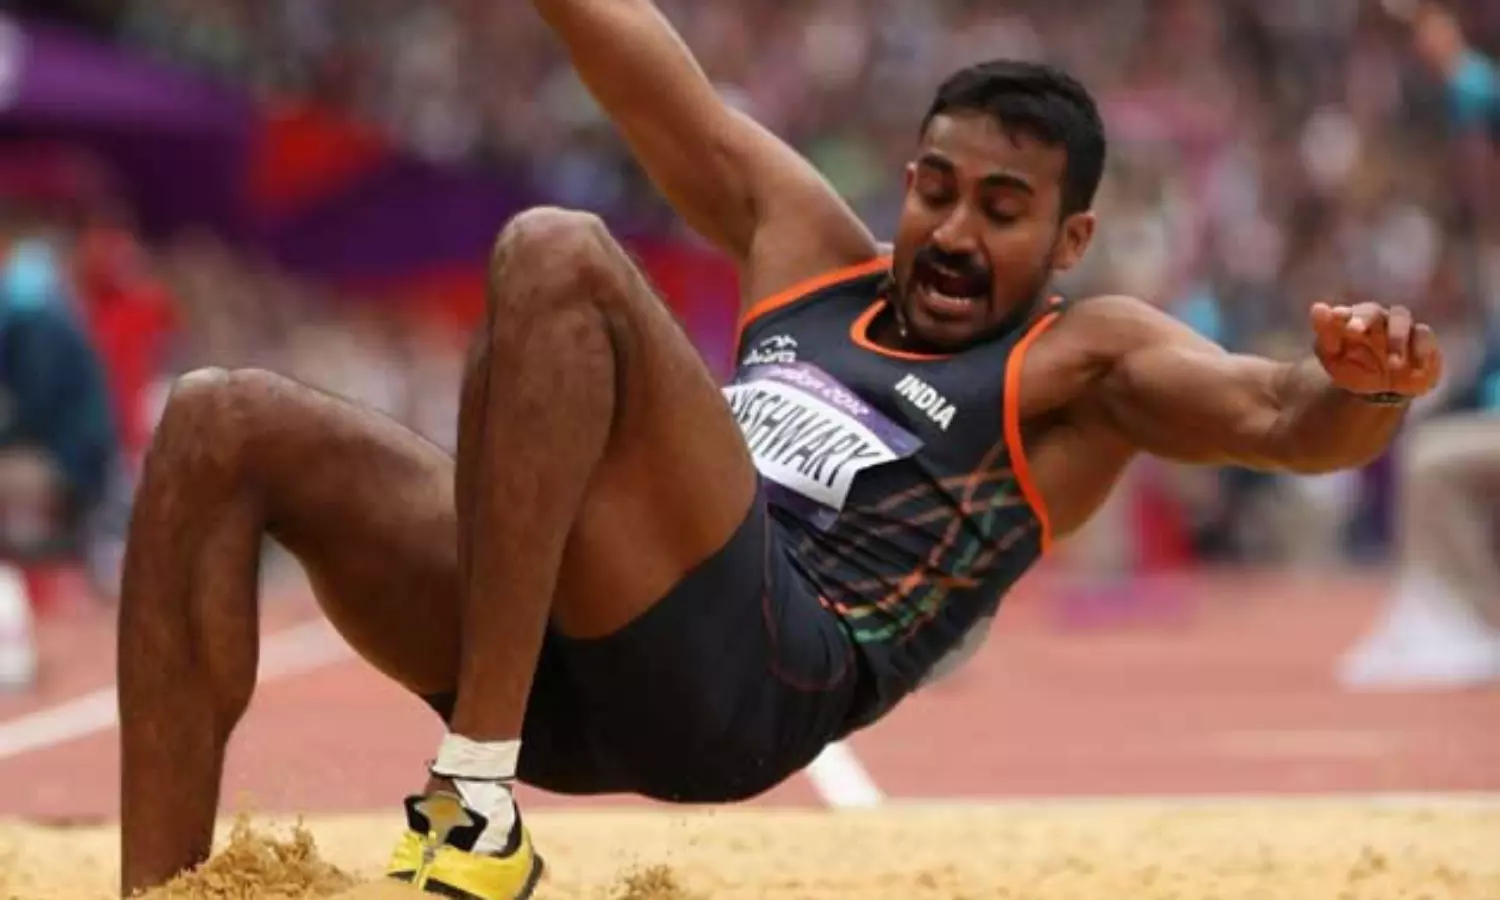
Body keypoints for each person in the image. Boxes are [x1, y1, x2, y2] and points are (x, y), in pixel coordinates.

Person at [114, 1, 1444, 898]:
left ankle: (473, 797)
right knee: (220, 418)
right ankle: (163, 888)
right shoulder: (812, 255)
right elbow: (656, 83)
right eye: (937, 191)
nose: (954, 235)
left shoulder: (1079, 364)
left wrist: (1361, 390)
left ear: (1069, 242)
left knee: (557, 252)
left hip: (752, 679)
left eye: (1002, 210)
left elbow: (1281, 419)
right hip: (565, 641)